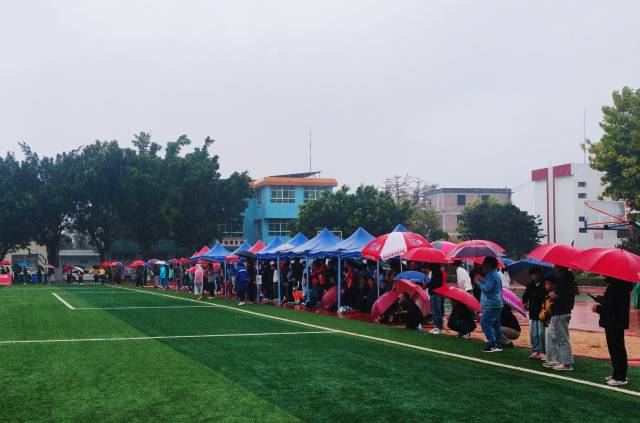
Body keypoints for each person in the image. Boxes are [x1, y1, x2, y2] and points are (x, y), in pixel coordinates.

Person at [592, 277, 635, 386]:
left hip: (614, 322)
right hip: (616, 322)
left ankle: (620, 377)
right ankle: (618, 373)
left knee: (616, 349)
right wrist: (602, 299)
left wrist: (597, 308)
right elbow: (613, 303)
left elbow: (610, 307)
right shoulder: (621, 286)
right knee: (616, 348)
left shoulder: (616, 287)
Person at [544, 265, 578, 371]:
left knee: (562, 338)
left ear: (560, 267)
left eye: (556, 265)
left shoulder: (565, 280)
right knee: (555, 337)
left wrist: (552, 294)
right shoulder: (566, 279)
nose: (554, 267)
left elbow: (558, 295)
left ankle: (567, 363)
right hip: (560, 311)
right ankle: (558, 360)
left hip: (561, 311)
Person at [476, 256, 503, 352]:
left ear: (489, 265)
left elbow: (487, 288)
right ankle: (498, 345)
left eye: (485, 264)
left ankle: (492, 344)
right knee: (496, 325)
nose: (483, 266)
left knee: (484, 323)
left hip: (492, 304)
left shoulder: (492, 275)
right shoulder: (494, 274)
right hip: (496, 303)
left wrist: (478, 283)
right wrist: (482, 280)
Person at [522, 267, 547, 359]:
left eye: (537, 274)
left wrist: (536, 295)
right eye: (533, 274)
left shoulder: (545, 285)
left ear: (540, 274)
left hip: (542, 312)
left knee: (542, 333)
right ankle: (535, 350)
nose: (535, 276)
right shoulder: (530, 285)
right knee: (534, 333)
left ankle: (543, 351)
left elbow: (545, 297)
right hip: (532, 312)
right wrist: (525, 301)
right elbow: (525, 297)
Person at [426, 263, 444, 334]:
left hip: (436, 293)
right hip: (433, 293)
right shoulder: (434, 272)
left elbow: (436, 284)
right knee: (434, 311)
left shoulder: (437, 273)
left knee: (437, 311)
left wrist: (428, 284)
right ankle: (436, 327)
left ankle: (439, 328)